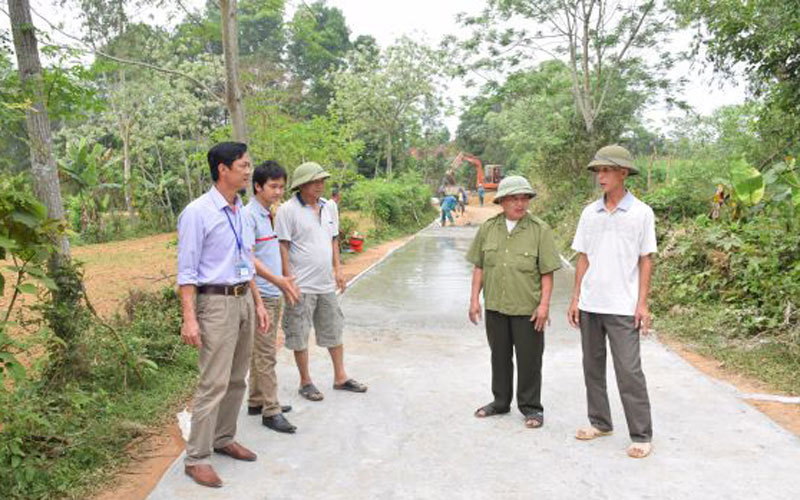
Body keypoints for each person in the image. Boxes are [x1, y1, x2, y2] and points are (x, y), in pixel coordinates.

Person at [177, 141, 269, 488]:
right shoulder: (197, 212)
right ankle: (197, 458)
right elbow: (186, 272)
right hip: (215, 303)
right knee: (213, 381)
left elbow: (246, 262)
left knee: (236, 377)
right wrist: (190, 317)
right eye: (244, 165)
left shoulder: (241, 212)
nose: (249, 170)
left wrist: (257, 302)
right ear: (223, 169)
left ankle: (223, 437)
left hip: (244, 297)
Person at [567, 144, 657, 459]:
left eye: (606, 170)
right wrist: (576, 297)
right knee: (592, 367)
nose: (600, 176)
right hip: (591, 304)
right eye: (598, 171)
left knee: (629, 371)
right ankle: (600, 422)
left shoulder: (641, 213)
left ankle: (641, 434)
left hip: (622, 306)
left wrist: (642, 303)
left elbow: (646, 260)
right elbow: (583, 257)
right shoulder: (589, 213)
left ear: (623, 173)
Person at [466, 176, 561, 429]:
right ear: (502, 201)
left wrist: (544, 306)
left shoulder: (539, 230)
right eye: (514, 198)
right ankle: (500, 401)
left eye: (524, 198)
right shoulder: (488, 228)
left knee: (529, 359)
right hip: (495, 304)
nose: (520, 203)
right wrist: (474, 299)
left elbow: (547, 272)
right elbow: (480, 266)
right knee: (499, 356)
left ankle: (531, 407)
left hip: (527, 308)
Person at [275, 161, 367, 402]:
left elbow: (334, 239)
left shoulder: (330, 207)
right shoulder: (287, 210)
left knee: (334, 330)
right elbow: (283, 246)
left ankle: (340, 377)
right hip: (300, 285)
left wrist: (338, 269)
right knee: (299, 333)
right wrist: (287, 280)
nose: (321, 185)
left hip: (326, 283)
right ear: (302, 185)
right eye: (316, 182)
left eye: (322, 181)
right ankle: (305, 381)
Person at [245, 161, 301, 434]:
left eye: (281, 186)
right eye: (273, 186)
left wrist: (284, 281)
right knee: (266, 354)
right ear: (258, 186)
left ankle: (256, 401)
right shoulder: (249, 216)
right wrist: (263, 294)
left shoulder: (269, 214)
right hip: (261, 295)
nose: (279, 192)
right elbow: (247, 258)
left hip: (273, 292)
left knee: (261, 350)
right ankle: (271, 409)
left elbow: (275, 251)